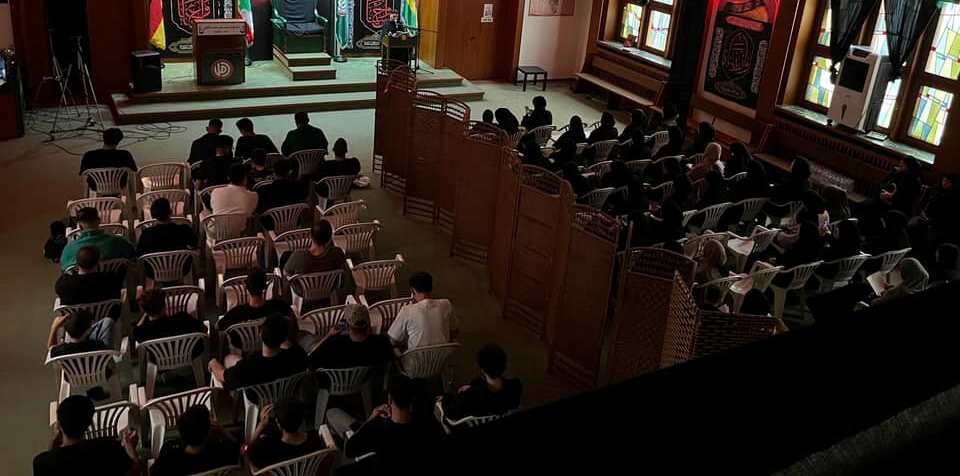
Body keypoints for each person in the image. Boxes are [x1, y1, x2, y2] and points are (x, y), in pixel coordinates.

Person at [327, 375, 441, 461]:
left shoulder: (377, 428)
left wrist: (371, 418)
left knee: (332, 413)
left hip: (362, 439)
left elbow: (349, 451)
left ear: (390, 399)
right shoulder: (427, 424)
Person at [33, 395, 139, 475]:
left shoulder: (41, 463)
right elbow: (135, 470)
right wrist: (130, 446)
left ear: (58, 425)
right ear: (89, 424)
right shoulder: (108, 448)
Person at [209, 314, 309, 390]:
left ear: (260, 334)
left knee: (229, 358)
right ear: (284, 339)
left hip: (257, 399)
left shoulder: (249, 366)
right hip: (284, 394)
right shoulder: (298, 355)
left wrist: (213, 363)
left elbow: (224, 377)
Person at [440, 344, 522, 421]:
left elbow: (451, 413)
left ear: (482, 370)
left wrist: (445, 397)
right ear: (504, 365)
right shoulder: (515, 387)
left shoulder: (472, 396)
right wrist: (472, 388)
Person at [150, 405, 239, 476]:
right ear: (208, 431)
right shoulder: (221, 452)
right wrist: (223, 432)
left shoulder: (169, 451)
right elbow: (239, 450)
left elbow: (154, 472)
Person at [388, 272, 459, 352]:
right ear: (431, 287)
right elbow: (455, 331)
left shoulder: (407, 310)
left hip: (415, 359)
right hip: (442, 357)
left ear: (413, 290)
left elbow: (393, 340)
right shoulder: (446, 304)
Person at [309, 303, 394, 369]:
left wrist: (328, 336)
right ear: (368, 322)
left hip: (338, 385)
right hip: (370, 384)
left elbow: (310, 361)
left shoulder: (334, 345)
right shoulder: (383, 342)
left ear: (347, 325)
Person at [248, 399, 327, 470]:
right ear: (301, 420)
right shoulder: (315, 439)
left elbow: (246, 451)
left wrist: (261, 425)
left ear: (278, 424)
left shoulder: (268, 448)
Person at [60, 208, 135, 272]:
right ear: (99, 221)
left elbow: (64, 268)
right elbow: (132, 255)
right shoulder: (118, 242)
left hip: (84, 284)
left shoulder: (69, 249)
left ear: (80, 226)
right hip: (115, 283)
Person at [217, 269, 291, 332]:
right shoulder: (280, 306)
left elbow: (219, 327)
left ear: (246, 288)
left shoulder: (235, 314)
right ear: (265, 287)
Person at [131, 288, 206, 349]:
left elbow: (136, 330)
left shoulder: (142, 332)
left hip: (158, 360)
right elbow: (204, 329)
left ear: (145, 311)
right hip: (190, 354)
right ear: (164, 307)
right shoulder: (182, 318)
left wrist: (145, 314)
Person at [55, 245, 123, 306]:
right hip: (105, 314)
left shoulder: (63, 285)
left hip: (77, 316)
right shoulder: (111, 280)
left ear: (77, 263)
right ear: (97, 263)